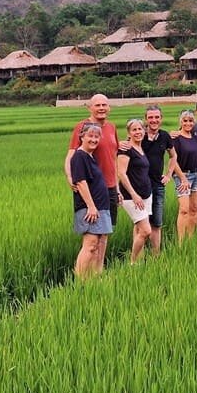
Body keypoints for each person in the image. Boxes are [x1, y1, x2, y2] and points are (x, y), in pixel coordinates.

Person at [64, 94, 120, 273]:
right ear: (90, 107)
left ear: (109, 107)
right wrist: (71, 178)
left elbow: (114, 158)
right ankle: (81, 279)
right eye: (98, 105)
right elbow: (71, 155)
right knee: (91, 241)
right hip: (92, 190)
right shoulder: (82, 128)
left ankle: (98, 274)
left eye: (105, 104)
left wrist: (117, 188)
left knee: (103, 236)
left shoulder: (111, 128)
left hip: (109, 189)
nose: (102, 108)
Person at [70, 122, 113, 279]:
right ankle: (80, 280)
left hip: (100, 206)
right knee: (90, 244)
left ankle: (93, 279)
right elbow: (80, 182)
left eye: (97, 137)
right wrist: (91, 206)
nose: (94, 139)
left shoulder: (90, 156)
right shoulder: (79, 156)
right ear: (82, 137)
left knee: (98, 244)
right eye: (90, 136)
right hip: (90, 208)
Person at [142, 104, 186, 255]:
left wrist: (168, 174)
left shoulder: (165, 136)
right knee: (140, 224)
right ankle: (138, 258)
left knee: (157, 223)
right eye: (150, 118)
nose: (154, 120)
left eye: (156, 117)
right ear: (145, 119)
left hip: (158, 185)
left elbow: (173, 156)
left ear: (161, 119)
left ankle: (156, 256)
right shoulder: (138, 135)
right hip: (140, 187)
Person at [117, 119, 153, 264]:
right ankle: (133, 262)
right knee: (146, 231)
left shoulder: (141, 148)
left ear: (144, 131)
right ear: (129, 133)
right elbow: (121, 173)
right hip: (132, 197)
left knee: (139, 229)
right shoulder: (125, 149)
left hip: (146, 194)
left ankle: (139, 261)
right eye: (134, 130)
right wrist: (133, 194)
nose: (138, 132)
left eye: (140, 129)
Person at [170, 110, 197, 245]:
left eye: (190, 121)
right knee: (184, 210)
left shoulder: (195, 137)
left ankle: (191, 239)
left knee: (194, 209)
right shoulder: (175, 139)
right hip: (182, 176)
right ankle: (181, 243)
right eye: (185, 121)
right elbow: (173, 160)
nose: (188, 123)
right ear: (180, 122)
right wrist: (182, 177)